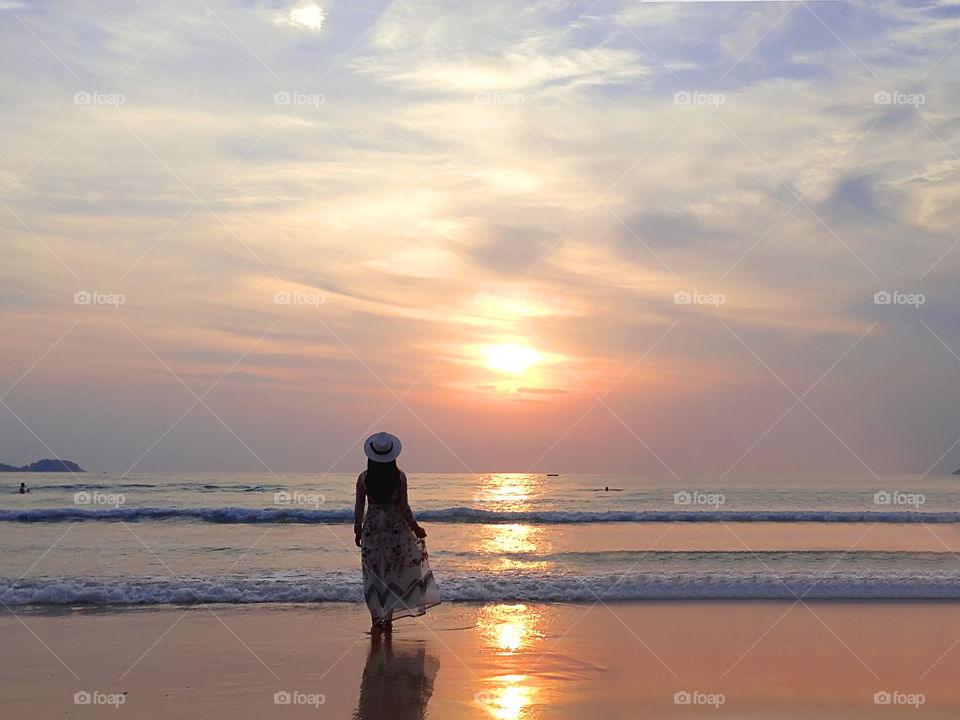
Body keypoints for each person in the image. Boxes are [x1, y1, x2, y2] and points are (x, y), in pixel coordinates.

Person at [355, 432, 440, 633]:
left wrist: (357, 530)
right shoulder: (399, 477)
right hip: (395, 532)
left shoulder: (364, 478)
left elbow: (359, 507)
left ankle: (376, 620)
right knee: (392, 574)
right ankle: (388, 620)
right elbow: (404, 507)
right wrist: (415, 527)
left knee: (373, 576)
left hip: (372, 533)